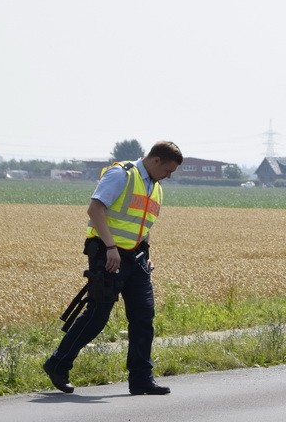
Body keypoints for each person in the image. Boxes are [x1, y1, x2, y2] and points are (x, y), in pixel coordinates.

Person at [42, 141, 184, 395]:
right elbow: (95, 208)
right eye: (168, 170)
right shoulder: (122, 174)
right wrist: (110, 247)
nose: (169, 176)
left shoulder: (155, 186)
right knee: (98, 315)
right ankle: (58, 364)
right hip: (107, 254)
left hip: (136, 259)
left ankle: (141, 379)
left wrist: (146, 254)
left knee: (143, 317)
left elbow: (143, 225)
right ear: (156, 160)